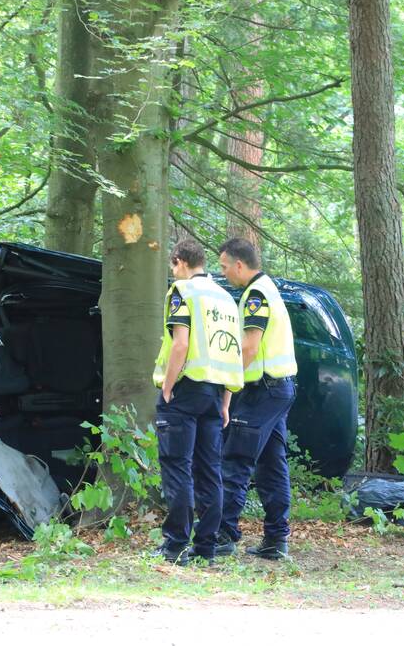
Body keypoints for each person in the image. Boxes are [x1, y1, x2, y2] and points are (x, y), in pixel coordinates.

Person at [152, 239, 244, 564]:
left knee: (177, 467)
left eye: (173, 266)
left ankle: (175, 546)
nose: (173, 272)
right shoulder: (225, 299)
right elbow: (232, 352)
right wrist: (226, 401)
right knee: (209, 470)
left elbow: (180, 344)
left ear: (180, 261)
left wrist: (167, 387)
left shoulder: (182, 292)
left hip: (185, 390)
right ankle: (206, 547)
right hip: (216, 393)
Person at [216, 238, 298, 560]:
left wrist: (228, 386)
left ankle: (223, 534)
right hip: (278, 389)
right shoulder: (268, 289)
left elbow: (250, 347)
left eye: (224, 267)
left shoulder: (256, 295)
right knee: (271, 465)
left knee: (235, 459)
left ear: (239, 265)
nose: (223, 273)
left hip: (262, 390)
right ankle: (276, 539)